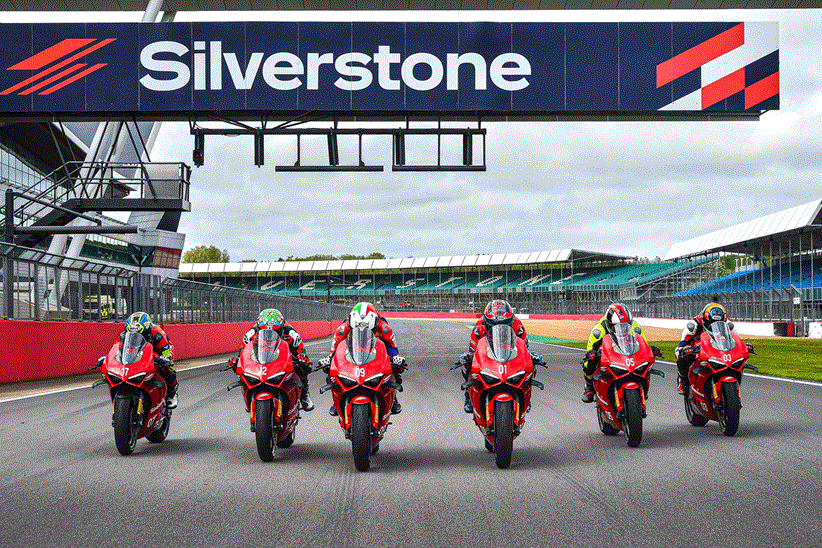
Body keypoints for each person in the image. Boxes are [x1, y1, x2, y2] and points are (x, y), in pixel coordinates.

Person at [318, 302, 406, 415]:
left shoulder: (385, 328)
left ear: (374, 323)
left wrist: (395, 359)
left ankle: (393, 398)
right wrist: (329, 360)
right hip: (352, 352)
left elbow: (392, 348)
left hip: (378, 352)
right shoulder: (342, 329)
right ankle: (336, 401)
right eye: (358, 328)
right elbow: (334, 351)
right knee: (330, 371)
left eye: (367, 329)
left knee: (395, 369)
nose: (362, 331)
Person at [457, 299, 535, 414]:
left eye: (505, 325)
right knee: (467, 365)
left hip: (508, 351)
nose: (499, 329)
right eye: (493, 325)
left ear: (511, 321)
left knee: (532, 364)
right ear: (486, 323)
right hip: (488, 353)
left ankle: (526, 395)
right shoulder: (479, 329)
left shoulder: (517, 326)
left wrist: (532, 356)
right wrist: (468, 357)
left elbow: (525, 348)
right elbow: (473, 351)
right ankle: (468, 396)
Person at [239, 309, 314, 411]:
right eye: (264, 330)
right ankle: (250, 395)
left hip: (284, 359)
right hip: (261, 357)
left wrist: (302, 359)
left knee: (302, 368)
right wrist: (237, 360)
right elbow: (243, 351)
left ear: (282, 327)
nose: (269, 333)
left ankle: (305, 395)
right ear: (258, 327)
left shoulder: (291, 333)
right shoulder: (251, 334)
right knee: (242, 372)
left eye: (275, 331)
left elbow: (301, 350)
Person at [581, 303, 645, 403]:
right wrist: (592, 354)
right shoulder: (598, 331)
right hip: (607, 352)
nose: (622, 329)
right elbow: (590, 348)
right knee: (589, 363)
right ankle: (589, 387)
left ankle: (641, 385)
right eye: (618, 326)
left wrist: (650, 349)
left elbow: (643, 343)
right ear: (609, 324)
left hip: (626, 350)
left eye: (625, 326)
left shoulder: (635, 327)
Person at [120, 312, 178, 408]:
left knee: (168, 367)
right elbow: (116, 348)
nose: (134, 336)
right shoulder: (123, 335)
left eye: (140, 334)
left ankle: (172, 393)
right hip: (138, 349)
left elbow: (165, 353)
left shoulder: (158, 334)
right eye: (131, 334)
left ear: (147, 330)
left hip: (159, 349)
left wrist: (164, 359)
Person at [674, 302, 731, 395]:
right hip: (697, 349)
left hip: (717, 347)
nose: (714, 326)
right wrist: (684, 349)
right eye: (711, 324)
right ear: (705, 320)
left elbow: (735, 340)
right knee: (683, 355)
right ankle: (682, 379)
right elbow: (682, 344)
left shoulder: (728, 325)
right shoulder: (693, 326)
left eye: (718, 324)